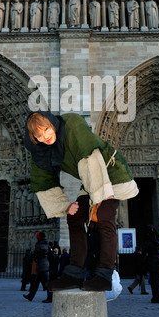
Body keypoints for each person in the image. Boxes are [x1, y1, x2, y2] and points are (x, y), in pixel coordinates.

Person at [24, 111, 138, 292]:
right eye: (38, 135)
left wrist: (100, 194)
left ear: (52, 123)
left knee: (104, 216)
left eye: (46, 129)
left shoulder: (72, 123)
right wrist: (64, 206)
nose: (44, 136)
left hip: (111, 172)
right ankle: (74, 273)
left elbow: (89, 156)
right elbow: (43, 181)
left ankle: (104, 275)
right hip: (89, 179)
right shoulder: (40, 151)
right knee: (75, 217)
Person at [23, 231, 52, 303]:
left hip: (40, 265)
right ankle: (30, 296)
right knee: (36, 283)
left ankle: (50, 298)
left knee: (46, 283)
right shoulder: (47, 245)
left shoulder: (38, 245)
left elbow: (35, 255)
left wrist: (31, 256)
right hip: (45, 264)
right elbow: (50, 255)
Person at [142, 225, 159, 303]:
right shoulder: (158, 241)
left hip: (152, 263)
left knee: (153, 282)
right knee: (157, 281)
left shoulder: (149, 242)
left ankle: (156, 298)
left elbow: (144, 251)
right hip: (158, 262)